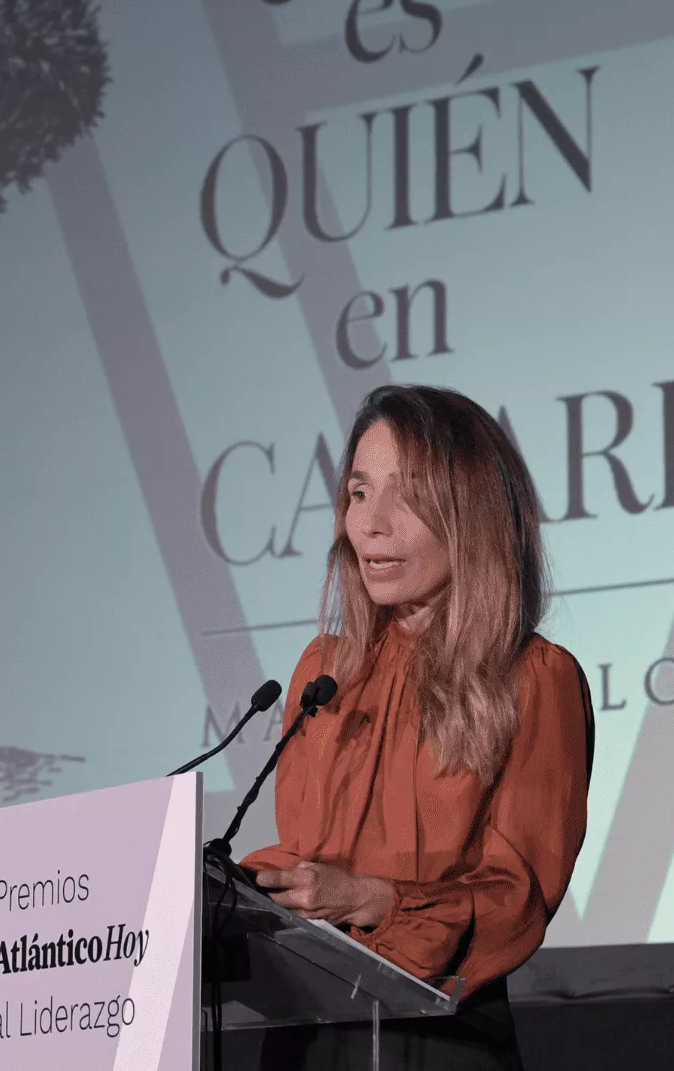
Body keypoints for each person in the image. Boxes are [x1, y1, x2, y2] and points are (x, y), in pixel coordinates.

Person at [232, 384, 594, 1070]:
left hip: (443, 1038)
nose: (370, 524)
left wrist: (377, 901)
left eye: (408, 495)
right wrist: (237, 893)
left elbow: (516, 895)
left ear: (473, 513)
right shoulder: (325, 670)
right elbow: (303, 854)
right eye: (359, 493)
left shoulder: (535, 678)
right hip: (308, 1038)